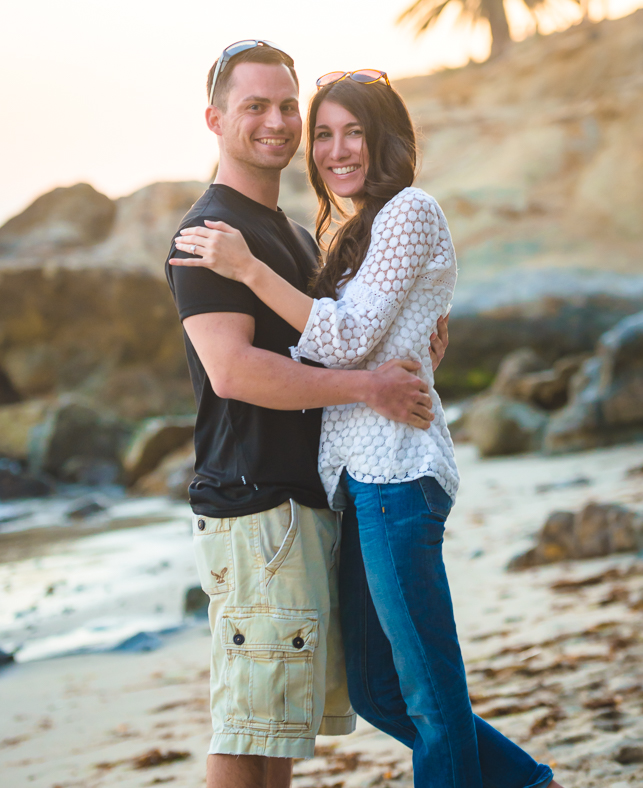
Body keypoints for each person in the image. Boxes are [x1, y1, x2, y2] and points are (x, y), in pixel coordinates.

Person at [173, 70, 565, 788]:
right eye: (323, 131)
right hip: (340, 489)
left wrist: (255, 274)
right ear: (216, 118)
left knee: (419, 698)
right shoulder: (330, 233)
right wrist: (394, 363)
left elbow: (346, 338)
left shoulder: (403, 211)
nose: (332, 146)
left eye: (350, 130)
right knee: (373, 693)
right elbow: (289, 358)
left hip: (392, 479)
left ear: (387, 137)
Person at [165, 41, 449, 788]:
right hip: (252, 504)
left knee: (277, 727)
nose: (277, 122)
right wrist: (367, 391)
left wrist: (417, 340)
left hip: (303, 503)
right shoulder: (208, 236)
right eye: (254, 106)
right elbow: (233, 372)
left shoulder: (290, 234)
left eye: (287, 105)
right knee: (246, 722)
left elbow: (337, 341)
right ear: (215, 119)